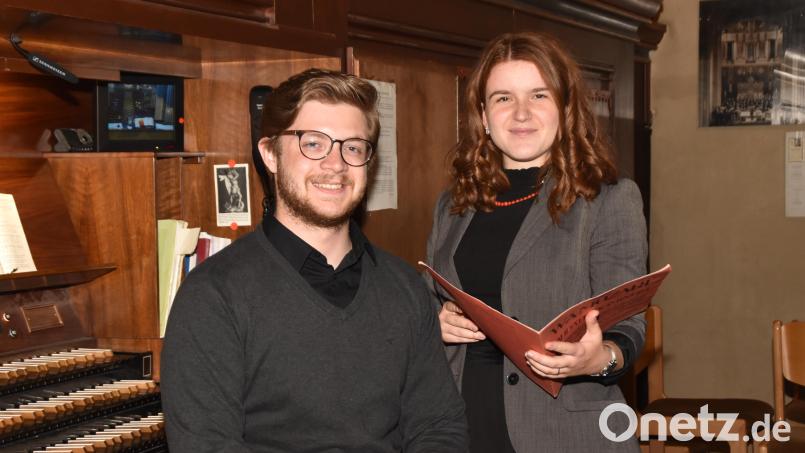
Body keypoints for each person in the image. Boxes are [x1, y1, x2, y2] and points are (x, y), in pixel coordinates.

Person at [162, 68, 468, 452]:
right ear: (270, 154)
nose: (336, 164)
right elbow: (205, 446)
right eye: (313, 143)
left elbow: (440, 427)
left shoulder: (404, 286)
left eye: (353, 147)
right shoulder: (213, 296)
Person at [425, 32, 647, 452]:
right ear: (484, 118)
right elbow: (429, 301)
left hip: (564, 433)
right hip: (459, 427)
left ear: (565, 109)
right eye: (503, 98)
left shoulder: (608, 199)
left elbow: (629, 325)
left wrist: (599, 359)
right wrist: (434, 324)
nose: (521, 113)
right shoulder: (452, 205)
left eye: (539, 95)